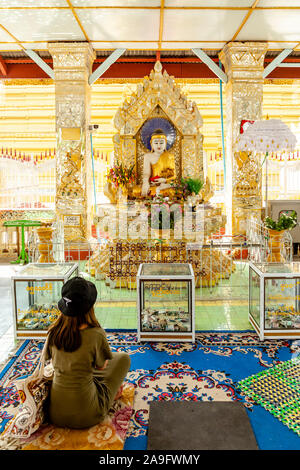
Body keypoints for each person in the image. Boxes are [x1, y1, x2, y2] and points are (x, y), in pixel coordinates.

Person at [45, 276, 131, 429]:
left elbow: (50, 362)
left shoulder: (53, 331)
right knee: (123, 359)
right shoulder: (96, 334)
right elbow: (101, 367)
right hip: (88, 415)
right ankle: (110, 397)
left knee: (81, 369)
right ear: (90, 307)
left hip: (55, 414)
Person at [132, 129, 176, 198]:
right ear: (151, 144)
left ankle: (155, 195)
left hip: (165, 185)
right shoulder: (148, 156)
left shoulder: (170, 156)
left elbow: (174, 176)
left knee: (172, 191)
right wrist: (145, 183)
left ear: (165, 144)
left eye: (161, 143)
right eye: (156, 143)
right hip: (152, 185)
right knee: (135, 190)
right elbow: (146, 173)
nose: (159, 145)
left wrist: (164, 180)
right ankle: (155, 194)